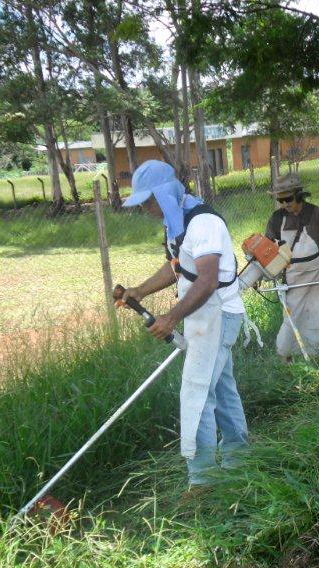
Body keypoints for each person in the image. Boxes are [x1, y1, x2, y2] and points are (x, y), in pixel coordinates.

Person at [120, 160, 248, 489]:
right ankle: (239, 458)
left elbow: (207, 281)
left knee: (197, 394)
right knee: (222, 390)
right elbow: (176, 266)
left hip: (219, 314)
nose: (145, 208)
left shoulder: (203, 222)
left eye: (148, 200)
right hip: (202, 314)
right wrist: (139, 291)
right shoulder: (176, 220)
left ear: (165, 194)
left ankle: (203, 481)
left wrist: (171, 317)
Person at [265, 173, 319, 361]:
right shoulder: (276, 219)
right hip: (292, 278)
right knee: (290, 319)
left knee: (315, 317)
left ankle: (315, 358)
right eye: (280, 200)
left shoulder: (317, 214)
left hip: (316, 277)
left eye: (288, 199)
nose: (284, 204)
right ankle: (286, 357)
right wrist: (262, 275)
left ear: (298, 195)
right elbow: (267, 249)